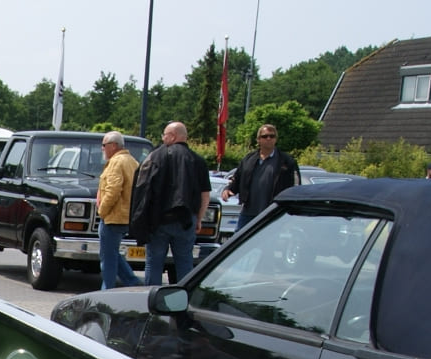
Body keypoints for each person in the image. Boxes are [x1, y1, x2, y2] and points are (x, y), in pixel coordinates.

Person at [130, 121, 210, 285]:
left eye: (164, 134)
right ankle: (184, 298)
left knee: (154, 263)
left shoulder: (154, 157)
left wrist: (139, 219)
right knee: (185, 263)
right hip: (186, 220)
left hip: (158, 221)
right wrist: (199, 218)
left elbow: (142, 189)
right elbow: (205, 195)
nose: (163, 138)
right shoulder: (198, 160)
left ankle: (151, 299)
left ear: (172, 136)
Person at [220, 124, 300, 226]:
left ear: (276, 139)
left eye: (272, 136)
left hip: (274, 212)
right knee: (242, 240)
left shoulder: (287, 161)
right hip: (249, 212)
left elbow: (295, 186)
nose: (269, 139)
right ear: (258, 140)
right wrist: (228, 189)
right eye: (265, 136)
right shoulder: (248, 159)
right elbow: (238, 179)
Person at [96, 131, 142, 290]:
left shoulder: (116, 162)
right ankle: (132, 282)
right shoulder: (133, 161)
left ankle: (106, 290)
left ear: (114, 146)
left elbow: (113, 190)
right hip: (126, 216)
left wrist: (102, 211)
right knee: (113, 253)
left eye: (104, 145)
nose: (102, 149)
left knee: (107, 258)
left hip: (113, 217)